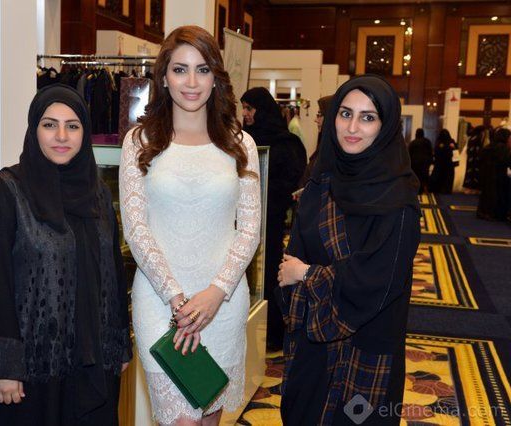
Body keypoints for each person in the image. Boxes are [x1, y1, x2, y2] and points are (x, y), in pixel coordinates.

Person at [0, 84, 131, 426]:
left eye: (73, 126)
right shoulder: (5, 193)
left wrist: (119, 346)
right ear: (34, 129)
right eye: (49, 124)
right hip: (29, 373)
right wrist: (1, 367)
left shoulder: (98, 195)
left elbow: (113, 274)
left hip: (92, 367)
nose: (61, 136)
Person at [119, 26, 261, 426]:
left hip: (223, 303)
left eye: (202, 69)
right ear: (164, 77)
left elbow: (249, 230)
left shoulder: (240, 144)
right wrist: (177, 299)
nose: (192, 82)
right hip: (160, 303)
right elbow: (136, 229)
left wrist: (215, 294)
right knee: (182, 421)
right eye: (180, 69)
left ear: (216, 77)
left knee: (210, 418)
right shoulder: (140, 141)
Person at [276, 75, 421, 425]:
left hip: (367, 345)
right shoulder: (320, 184)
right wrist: (300, 277)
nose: (352, 127)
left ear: (385, 126)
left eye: (367, 117)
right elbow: (289, 263)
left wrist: (307, 274)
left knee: (355, 419)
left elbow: (378, 280)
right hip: (312, 341)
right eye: (345, 114)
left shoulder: (399, 200)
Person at [240, 87, 307, 351]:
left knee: (269, 275)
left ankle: (272, 333)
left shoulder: (284, 143)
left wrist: (263, 193)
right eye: (243, 108)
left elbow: (289, 182)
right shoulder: (244, 139)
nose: (245, 113)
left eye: (249, 108)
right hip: (243, 222)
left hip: (270, 221)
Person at [477, 127, 511, 221]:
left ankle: (484, 212)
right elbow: (507, 162)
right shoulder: (504, 149)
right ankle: (496, 214)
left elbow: (480, 159)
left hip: (486, 176)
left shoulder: (488, 146)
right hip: (499, 177)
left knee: (486, 194)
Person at [429, 128, 456, 194]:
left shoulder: (439, 141)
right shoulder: (450, 141)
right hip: (447, 164)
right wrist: (449, 147)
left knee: (439, 177)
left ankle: (439, 189)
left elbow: (436, 151)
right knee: (447, 178)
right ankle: (446, 190)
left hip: (440, 164)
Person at [408, 128, 433, 194]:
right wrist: (430, 161)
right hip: (425, 163)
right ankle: (425, 189)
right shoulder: (427, 142)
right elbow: (430, 152)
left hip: (415, 163)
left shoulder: (413, 143)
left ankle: (417, 190)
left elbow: (409, 153)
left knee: (416, 176)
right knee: (424, 176)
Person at [463, 125, 486, 194]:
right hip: (476, 158)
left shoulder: (472, 137)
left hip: (471, 158)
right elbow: (478, 148)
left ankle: (469, 188)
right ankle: (474, 188)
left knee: (470, 173)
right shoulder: (478, 137)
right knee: (475, 173)